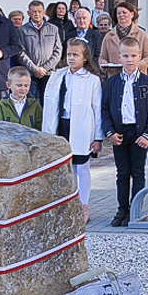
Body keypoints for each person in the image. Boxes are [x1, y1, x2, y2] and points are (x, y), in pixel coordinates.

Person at [42, 38, 103, 224]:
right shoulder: (58, 75)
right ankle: (68, 204)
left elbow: (97, 108)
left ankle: (84, 204)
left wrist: (98, 137)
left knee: (81, 167)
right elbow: (50, 104)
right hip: (62, 124)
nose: (71, 58)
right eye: (69, 54)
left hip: (82, 127)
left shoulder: (92, 80)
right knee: (64, 168)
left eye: (75, 55)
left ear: (85, 58)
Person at [102, 37, 148, 227]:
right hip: (120, 133)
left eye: (133, 56)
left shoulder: (147, 83)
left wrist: (147, 135)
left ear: (140, 56)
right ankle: (122, 209)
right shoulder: (112, 83)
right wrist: (109, 131)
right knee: (122, 173)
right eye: (125, 56)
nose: (130, 60)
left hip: (139, 134)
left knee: (138, 173)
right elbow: (105, 109)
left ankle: (135, 210)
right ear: (119, 57)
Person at [17, 0, 62, 102]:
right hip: (30, 73)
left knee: (47, 101)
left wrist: (44, 68)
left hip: (48, 73)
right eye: (33, 12)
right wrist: (35, 69)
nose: (36, 14)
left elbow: (58, 51)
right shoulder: (22, 30)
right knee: (30, 102)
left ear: (44, 12)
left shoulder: (53, 29)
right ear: (29, 13)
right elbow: (20, 52)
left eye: (39, 11)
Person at [99, 1, 148, 76]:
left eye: (124, 12)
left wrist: (137, 65)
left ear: (132, 14)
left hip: (136, 77)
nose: (121, 15)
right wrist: (103, 63)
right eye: (119, 13)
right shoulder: (108, 36)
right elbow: (102, 57)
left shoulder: (142, 34)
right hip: (115, 77)